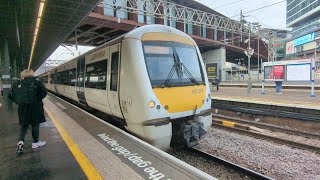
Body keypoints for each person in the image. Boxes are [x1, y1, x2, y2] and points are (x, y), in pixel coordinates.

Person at [8, 69, 47, 153]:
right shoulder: (37, 83)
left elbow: (10, 96)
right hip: (35, 108)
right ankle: (35, 142)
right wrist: (37, 100)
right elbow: (44, 92)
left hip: (23, 109)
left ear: (23, 75)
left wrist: (18, 102)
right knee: (35, 124)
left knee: (24, 125)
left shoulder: (17, 84)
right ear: (31, 74)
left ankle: (20, 141)